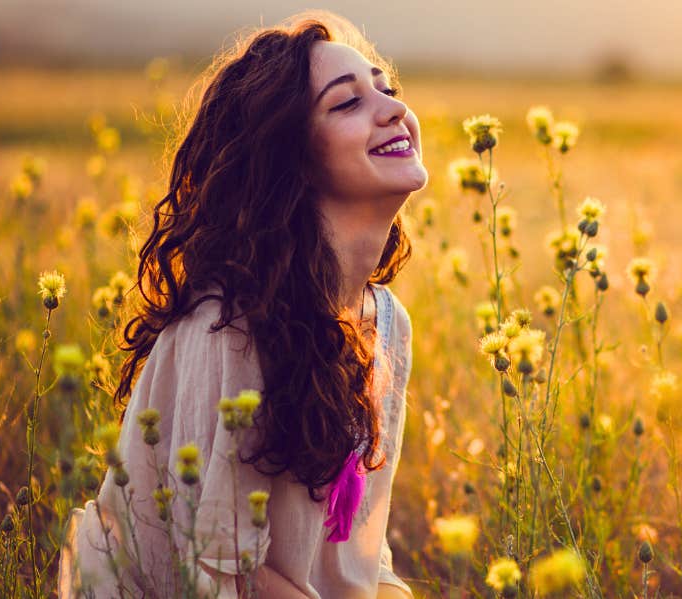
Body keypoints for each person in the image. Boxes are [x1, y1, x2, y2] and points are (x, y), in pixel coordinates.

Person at [59, 9, 426, 598]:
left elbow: (361, 560)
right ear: (292, 161)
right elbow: (222, 574)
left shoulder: (386, 325)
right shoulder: (229, 329)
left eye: (387, 89)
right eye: (347, 103)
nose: (394, 110)